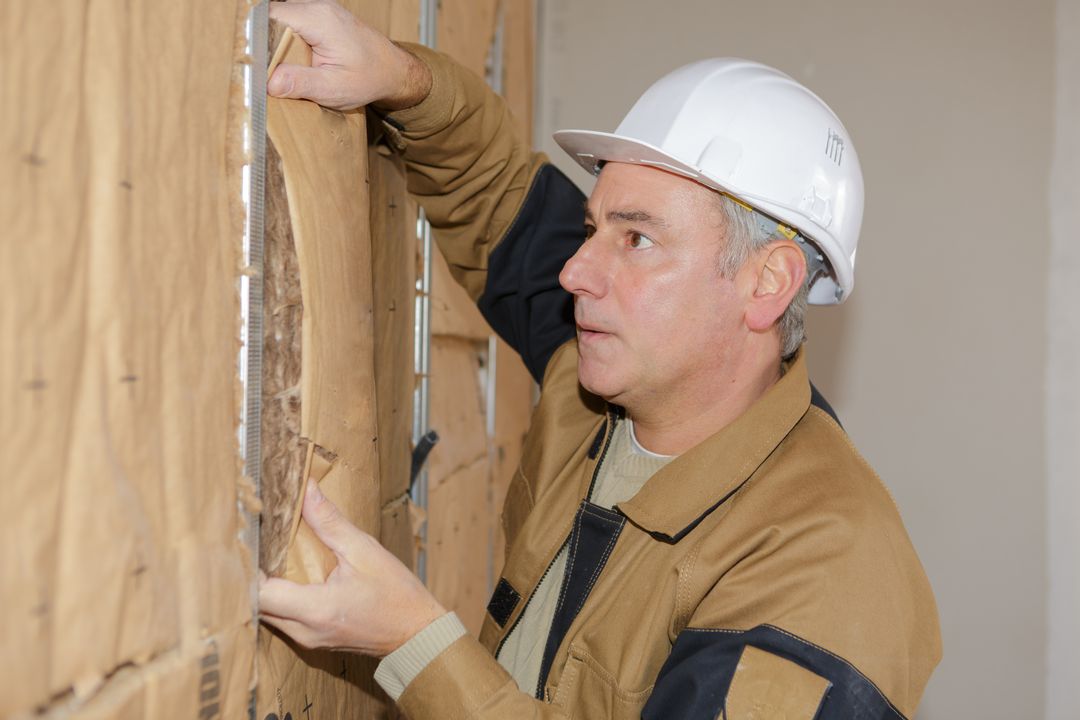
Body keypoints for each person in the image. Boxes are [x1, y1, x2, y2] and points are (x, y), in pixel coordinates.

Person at [258, 1, 942, 717]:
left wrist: (411, 641)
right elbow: (499, 197)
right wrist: (401, 78)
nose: (576, 270)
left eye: (637, 239)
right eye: (593, 227)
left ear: (766, 283)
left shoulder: (826, 567)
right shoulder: (600, 389)